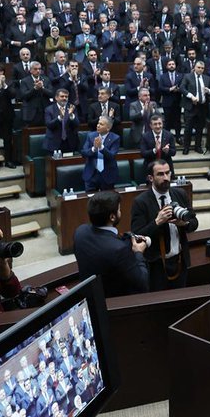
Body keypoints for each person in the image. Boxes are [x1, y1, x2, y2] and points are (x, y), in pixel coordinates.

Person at [131, 159, 199, 290]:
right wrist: (157, 222)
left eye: (168, 173)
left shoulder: (180, 194)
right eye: (160, 174)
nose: (166, 177)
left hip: (180, 260)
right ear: (150, 178)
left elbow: (194, 223)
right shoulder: (140, 202)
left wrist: (184, 224)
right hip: (156, 264)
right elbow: (137, 235)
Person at [74, 191, 149, 296]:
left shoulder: (80, 232)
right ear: (112, 217)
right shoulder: (119, 250)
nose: (120, 211)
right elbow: (142, 282)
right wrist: (138, 253)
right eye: (119, 209)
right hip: (114, 302)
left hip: (89, 295)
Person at [82, 116, 121, 191]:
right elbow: (84, 152)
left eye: (101, 124)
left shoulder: (115, 138)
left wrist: (101, 147)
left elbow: (111, 156)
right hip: (91, 174)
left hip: (107, 175)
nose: (98, 125)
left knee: (107, 200)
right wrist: (94, 148)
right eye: (98, 123)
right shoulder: (90, 136)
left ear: (108, 128)